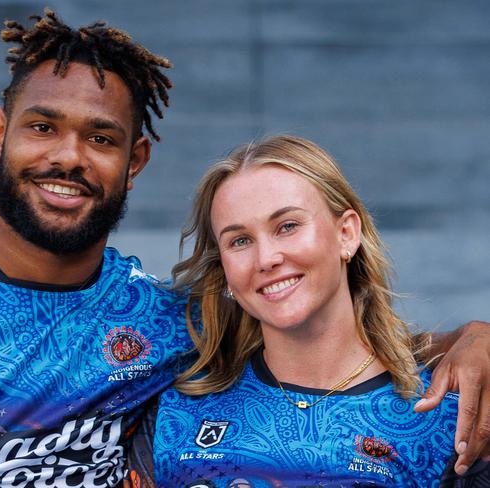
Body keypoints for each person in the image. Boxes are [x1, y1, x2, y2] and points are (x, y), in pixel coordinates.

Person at [0, 8, 487, 488]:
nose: (67, 156)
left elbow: (338, 338)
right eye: (42, 127)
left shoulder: (173, 320)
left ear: (135, 160)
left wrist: (476, 339)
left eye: (100, 137)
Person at [127, 135, 490, 487]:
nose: (266, 258)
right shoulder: (173, 413)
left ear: (346, 234)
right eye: (239, 241)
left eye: (288, 226)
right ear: (225, 270)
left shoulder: (447, 417)